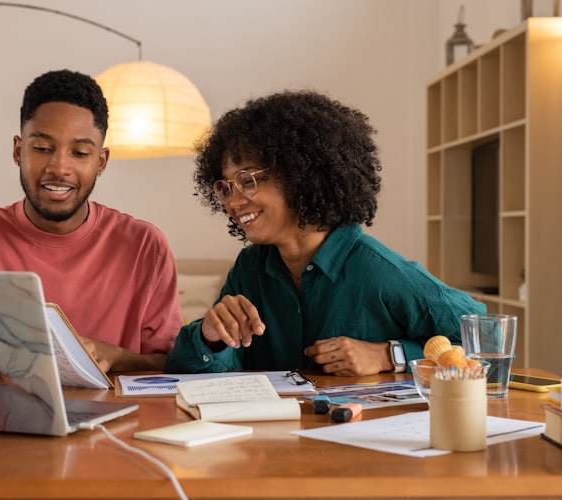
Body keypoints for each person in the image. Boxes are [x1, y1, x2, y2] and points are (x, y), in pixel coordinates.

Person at [164, 90, 485, 376]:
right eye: (226, 187)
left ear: (300, 176)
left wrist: (391, 355)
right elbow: (189, 372)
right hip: (273, 440)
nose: (233, 201)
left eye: (247, 180)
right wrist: (210, 336)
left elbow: (484, 339)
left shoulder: (377, 270)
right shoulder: (250, 269)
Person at [0, 69, 181, 372]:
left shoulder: (145, 246)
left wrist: (117, 356)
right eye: (42, 149)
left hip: (116, 419)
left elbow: (170, 363)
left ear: (101, 162)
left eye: (80, 153)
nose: (59, 168)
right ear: (18, 151)